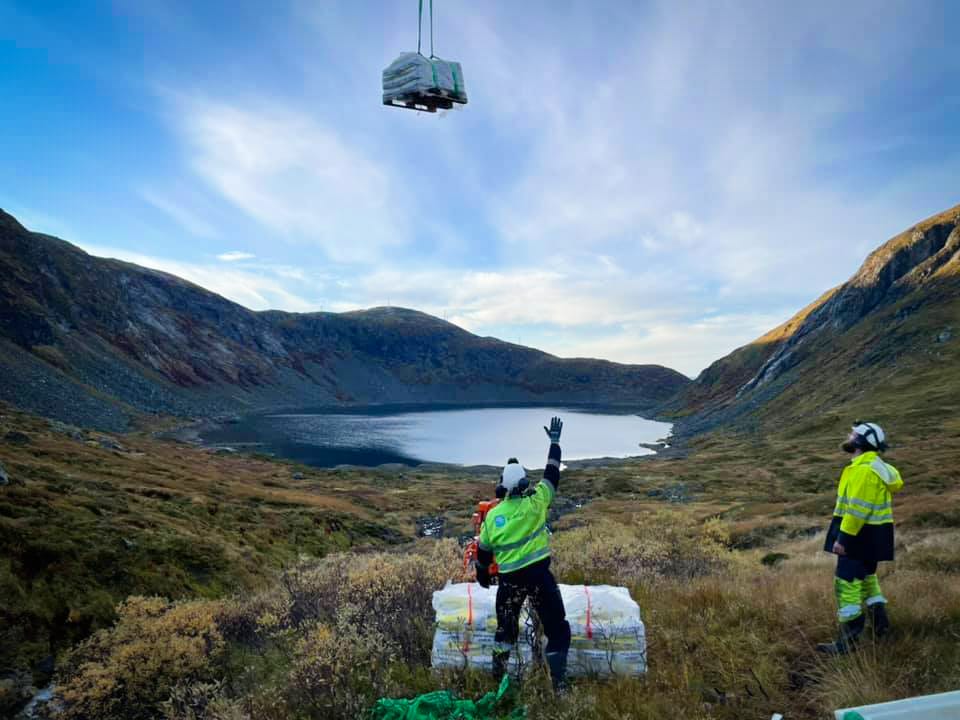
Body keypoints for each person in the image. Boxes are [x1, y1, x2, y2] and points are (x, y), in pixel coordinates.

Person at [475, 416, 571, 690]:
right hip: (540, 578)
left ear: (502, 486)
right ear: (524, 483)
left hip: (510, 584)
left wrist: (483, 577)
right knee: (557, 628)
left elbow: (483, 554)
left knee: (505, 632)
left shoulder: (493, 517)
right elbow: (552, 474)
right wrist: (555, 443)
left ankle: (498, 683)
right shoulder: (536, 502)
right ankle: (559, 685)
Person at [817, 421, 903, 655]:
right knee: (867, 579)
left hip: (858, 536)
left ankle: (847, 643)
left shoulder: (864, 470)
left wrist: (843, 539)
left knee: (846, 584)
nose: (849, 435)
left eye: (853, 433)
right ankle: (881, 628)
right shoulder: (876, 466)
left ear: (860, 441)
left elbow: (857, 510)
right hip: (872, 536)